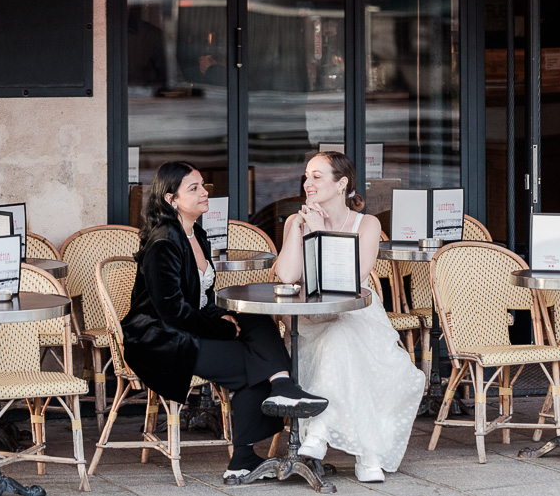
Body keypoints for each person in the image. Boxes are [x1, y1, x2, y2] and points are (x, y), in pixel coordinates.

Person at [121, 160, 329, 482]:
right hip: (160, 341)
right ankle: (252, 438)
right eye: (194, 188)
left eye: (203, 185)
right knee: (254, 361)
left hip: (189, 326)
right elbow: (171, 311)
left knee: (257, 320)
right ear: (170, 199)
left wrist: (224, 317)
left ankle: (278, 393)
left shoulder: (195, 234)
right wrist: (220, 326)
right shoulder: (163, 242)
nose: (205, 192)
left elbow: (201, 297)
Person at [274, 151, 425, 483]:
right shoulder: (296, 221)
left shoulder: (367, 224)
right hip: (311, 320)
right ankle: (366, 455)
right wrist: (301, 230)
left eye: (317, 176)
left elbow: (348, 280)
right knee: (342, 345)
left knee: (344, 339)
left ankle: (319, 431)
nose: (307, 183)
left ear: (342, 183)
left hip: (356, 316)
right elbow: (286, 276)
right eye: (306, 175)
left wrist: (320, 234)